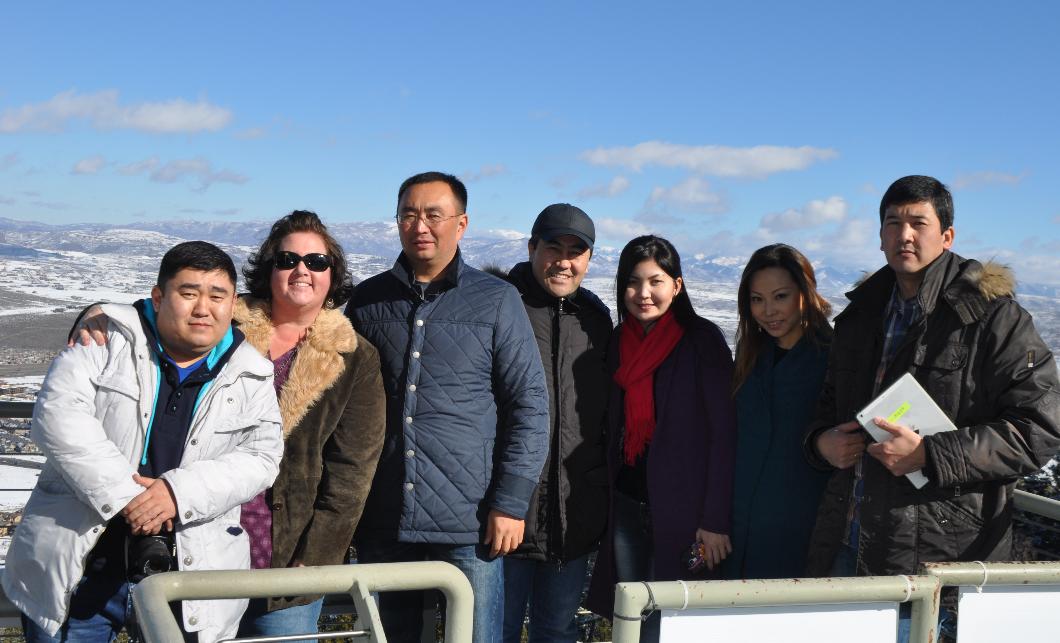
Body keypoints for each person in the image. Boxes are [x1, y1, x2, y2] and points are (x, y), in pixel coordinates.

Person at [802, 175, 1060, 637]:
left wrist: (930, 455)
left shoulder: (991, 317)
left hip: (935, 556)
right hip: (846, 538)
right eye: (893, 222)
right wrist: (820, 442)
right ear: (880, 236)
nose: (904, 234)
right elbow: (827, 405)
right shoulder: (860, 316)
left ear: (947, 235)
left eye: (918, 222)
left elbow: (1039, 426)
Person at [3, 241, 284, 643]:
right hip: (81, 568)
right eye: (188, 293)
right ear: (159, 296)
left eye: (217, 296)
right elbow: (57, 417)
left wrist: (175, 494)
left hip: (190, 574)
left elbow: (262, 456)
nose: (203, 308)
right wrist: (127, 496)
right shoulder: (106, 341)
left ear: (232, 303)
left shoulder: (251, 371)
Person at [344, 171, 549, 643]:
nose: (420, 225)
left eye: (434, 214)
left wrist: (511, 502)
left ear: (461, 223)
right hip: (385, 514)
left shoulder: (496, 300)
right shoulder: (369, 301)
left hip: (471, 521)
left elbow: (529, 405)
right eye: (409, 214)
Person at [232, 211, 386, 640]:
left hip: (289, 557)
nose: (302, 270)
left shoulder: (356, 358)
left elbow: (352, 469)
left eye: (316, 262)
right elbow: (165, 310)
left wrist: (317, 557)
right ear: (270, 269)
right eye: (288, 260)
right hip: (203, 545)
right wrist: (98, 313)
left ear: (332, 276)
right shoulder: (223, 329)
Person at [586, 235, 737, 643]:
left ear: (678, 285)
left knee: (675, 622)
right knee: (631, 618)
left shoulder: (702, 341)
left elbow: (723, 435)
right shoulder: (619, 342)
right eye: (633, 283)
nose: (643, 293)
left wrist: (715, 521)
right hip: (629, 504)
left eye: (655, 281)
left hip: (686, 513)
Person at [498, 204, 611, 643]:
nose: (563, 260)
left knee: (557, 631)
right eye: (553, 247)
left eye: (576, 250)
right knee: (494, 630)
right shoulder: (501, 305)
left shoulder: (595, 320)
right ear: (532, 248)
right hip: (505, 512)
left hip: (573, 513)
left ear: (588, 260)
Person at [723, 244, 832, 580]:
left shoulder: (834, 359)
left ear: (805, 293)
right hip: (738, 528)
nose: (768, 310)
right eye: (757, 299)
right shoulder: (750, 353)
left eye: (780, 296)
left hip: (799, 533)